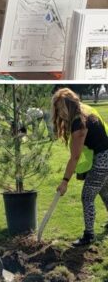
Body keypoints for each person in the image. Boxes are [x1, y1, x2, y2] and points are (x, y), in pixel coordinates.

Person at [52, 88, 108, 246]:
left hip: (103, 159)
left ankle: (89, 235)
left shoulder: (79, 123)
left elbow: (75, 157)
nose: (58, 114)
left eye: (58, 109)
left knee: (87, 197)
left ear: (64, 107)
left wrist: (64, 181)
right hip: (105, 156)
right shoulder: (84, 111)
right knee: (104, 191)